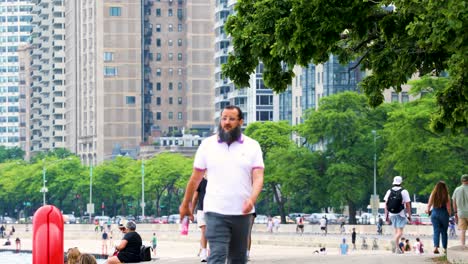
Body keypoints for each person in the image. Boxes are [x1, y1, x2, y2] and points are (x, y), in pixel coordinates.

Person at [179, 105, 265, 264]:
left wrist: (252, 199)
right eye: (224, 118)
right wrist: (186, 204)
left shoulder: (253, 146)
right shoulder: (207, 145)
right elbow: (196, 178)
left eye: (232, 119)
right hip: (215, 211)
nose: (227, 122)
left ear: (240, 122)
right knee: (217, 255)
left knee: (238, 259)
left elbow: (258, 177)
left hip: (242, 213)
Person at [384, 176, 411, 254]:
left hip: (392, 214)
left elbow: (386, 204)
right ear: (401, 182)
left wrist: (386, 216)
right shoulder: (404, 191)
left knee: (396, 232)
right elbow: (408, 204)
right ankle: (394, 241)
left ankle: (397, 249)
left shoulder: (389, 191)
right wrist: (409, 215)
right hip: (401, 214)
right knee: (400, 233)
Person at [426, 181, 452, 254]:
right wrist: (449, 214)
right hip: (444, 214)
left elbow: (429, 205)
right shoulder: (446, 195)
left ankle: (436, 247)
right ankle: (445, 248)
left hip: (434, 213)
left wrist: (428, 211)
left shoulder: (433, 194)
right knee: (444, 232)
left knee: (436, 231)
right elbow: (448, 207)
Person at [191, 176, 208, 262]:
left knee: (204, 232)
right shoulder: (216, 180)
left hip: (202, 210)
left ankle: (204, 254)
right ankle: (209, 253)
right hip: (213, 210)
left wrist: (191, 211)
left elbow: (195, 197)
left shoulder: (200, 181)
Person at [452, 174, 468, 248]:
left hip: (461, 213)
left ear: (462, 181)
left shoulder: (457, 189)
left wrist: (455, 212)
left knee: (462, 230)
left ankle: (463, 245)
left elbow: (454, 202)